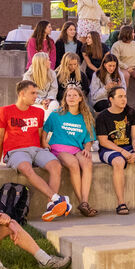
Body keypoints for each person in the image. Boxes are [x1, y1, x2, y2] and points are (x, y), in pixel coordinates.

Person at [0, 80, 71, 221]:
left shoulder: (39, 111)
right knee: (27, 169)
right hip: (16, 151)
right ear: (22, 93)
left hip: (36, 149)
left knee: (56, 166)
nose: (36, 96)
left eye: (36, 93)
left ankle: (51, 207)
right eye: (33, 93)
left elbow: (41, 134)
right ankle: (56, 198)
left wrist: (45, 144)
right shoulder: (4, 111)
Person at [43, 86, 98, 217]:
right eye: (69, 95)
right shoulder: (57, 114)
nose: (71, 98)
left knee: (87, 162)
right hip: (59, 148)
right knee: (73, 163)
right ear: (65, 98)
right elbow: (44, 131)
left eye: (74, 95)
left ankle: (84, 202)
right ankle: (83, 203)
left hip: (76, 148)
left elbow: (89, 138)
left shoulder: (85, 117)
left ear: (80, 99)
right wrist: (44, 142)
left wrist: (87, 148)